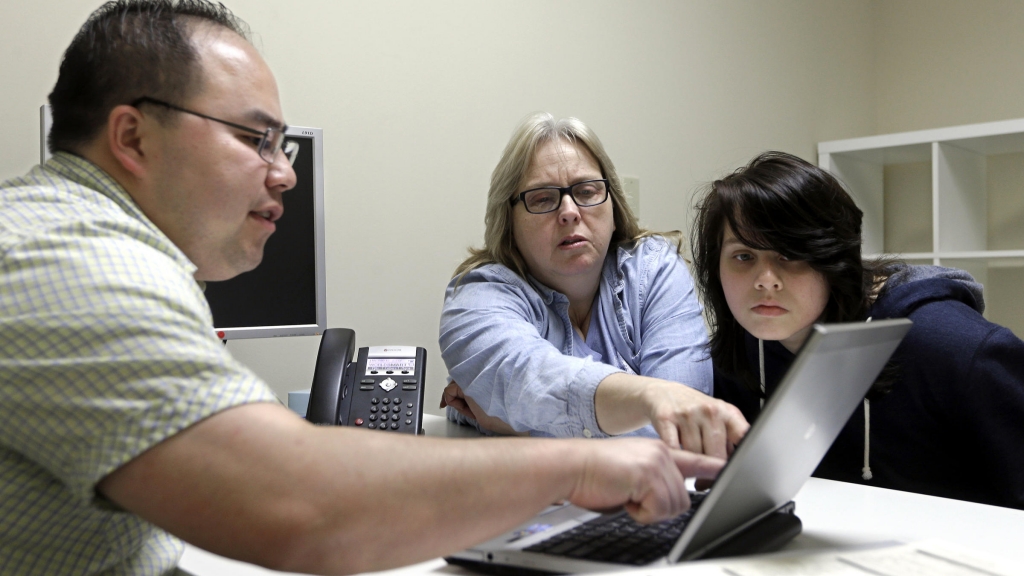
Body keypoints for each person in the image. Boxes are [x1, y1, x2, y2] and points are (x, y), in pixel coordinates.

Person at [0, 2, 726, 575]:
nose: (284, 173)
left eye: (282, 145)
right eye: (254, 139)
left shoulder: (101, 250)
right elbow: (299, 503)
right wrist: (579, 463)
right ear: (132, 138)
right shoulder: (72, 264)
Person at [689, 150, 1024, 509]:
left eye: (790, 255)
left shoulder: (954, 347)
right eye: (744, 257)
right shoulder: (732, 357)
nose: (765, 281)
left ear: (835, 259)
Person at [438, 112, 748, 458]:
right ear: (508, 221)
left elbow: (681, 433)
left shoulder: (653, 270)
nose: (569, 211)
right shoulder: (477, 296)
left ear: (613, 204)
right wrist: (649, 400)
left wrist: (520, 427)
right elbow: (525, 375)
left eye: (587, 191)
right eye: (542, 198)